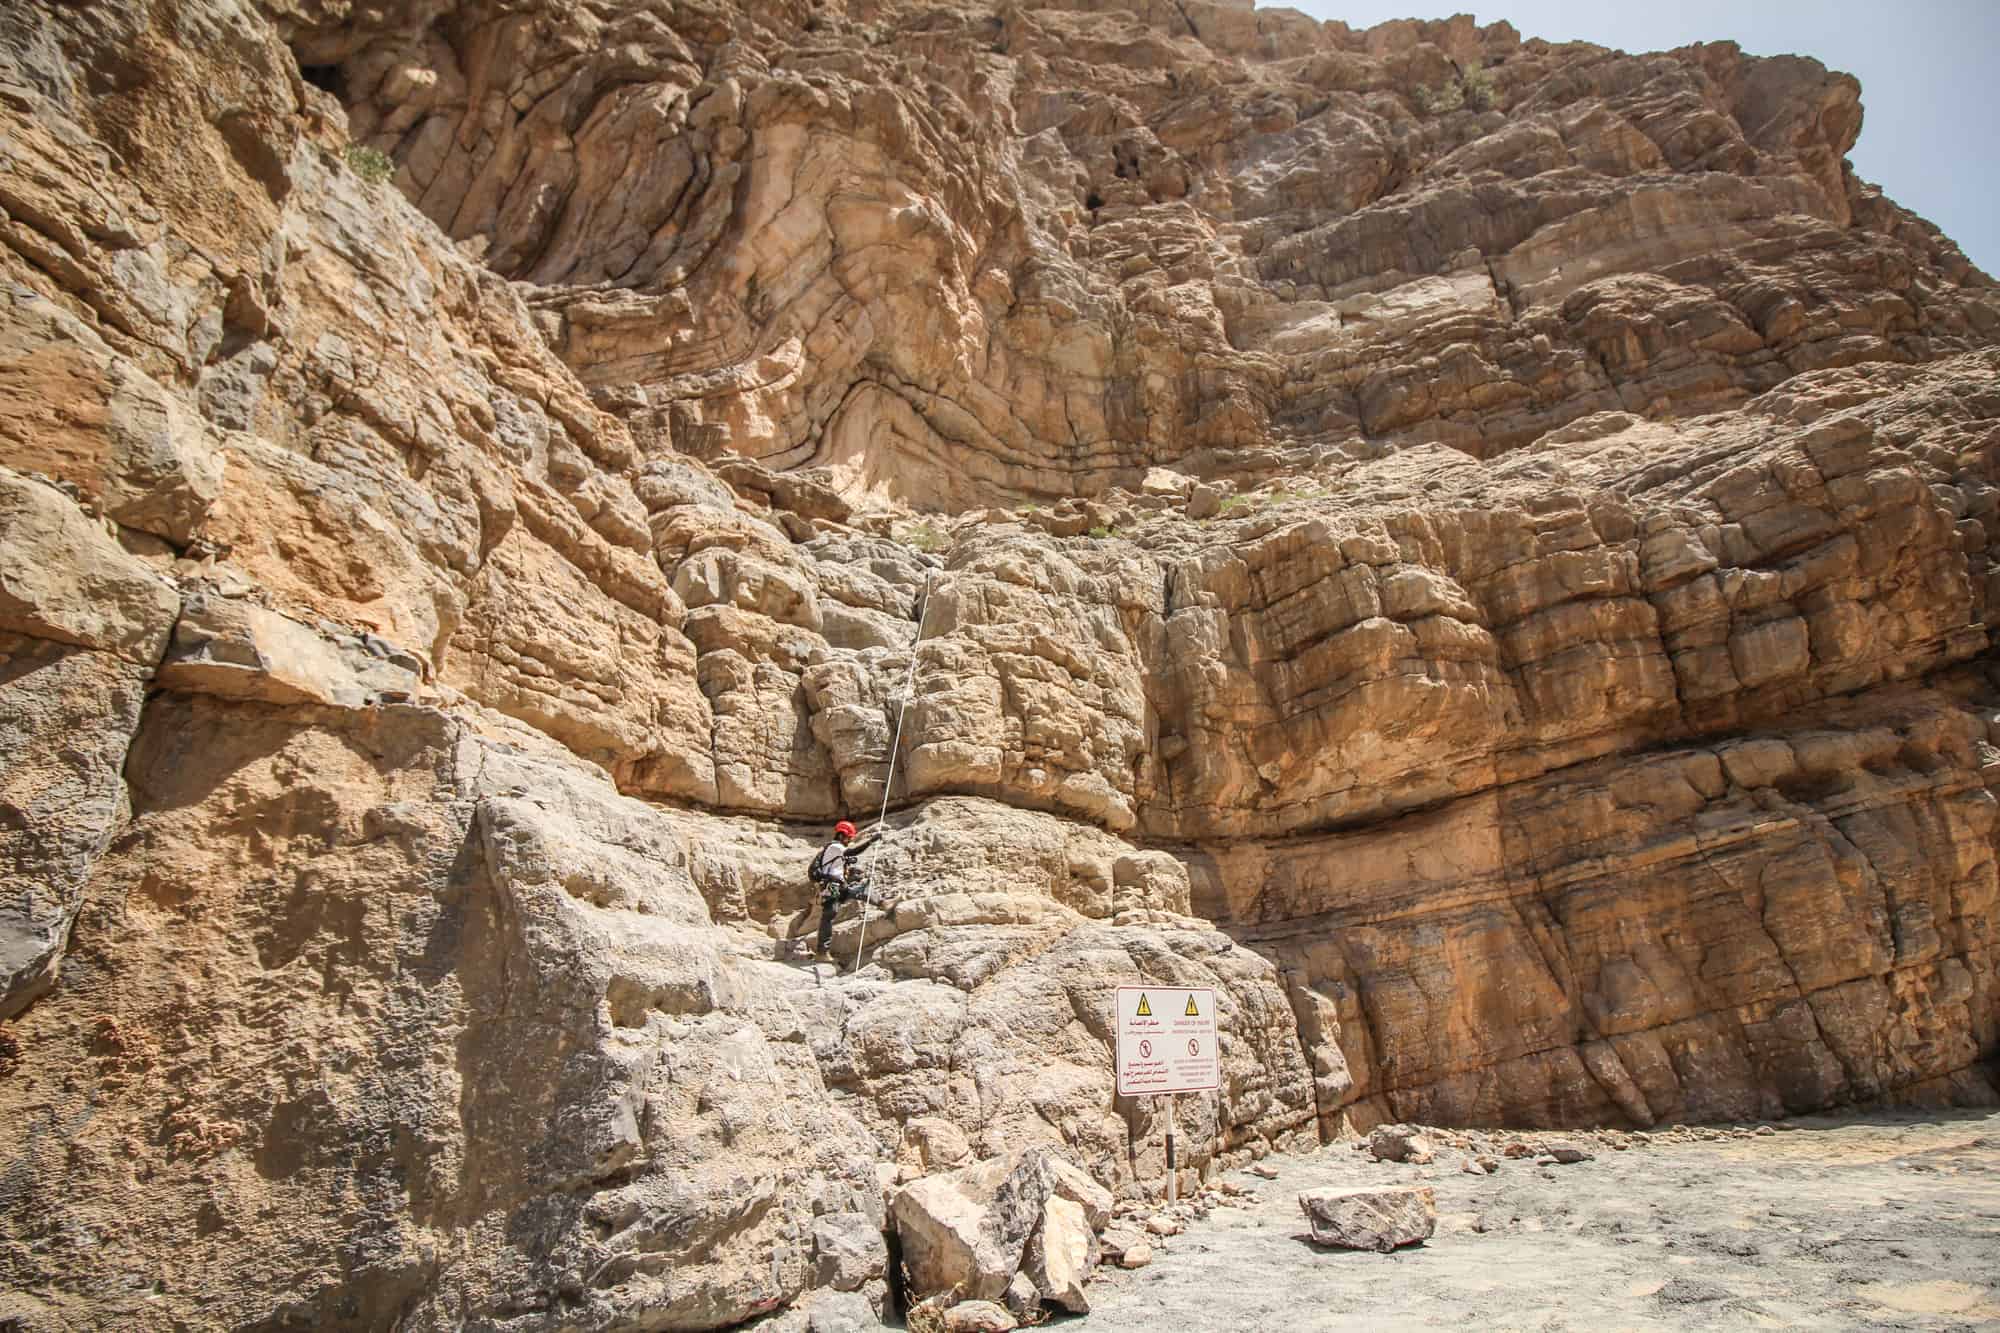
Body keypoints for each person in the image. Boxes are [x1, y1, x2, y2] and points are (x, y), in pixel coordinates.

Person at [809, 820, 888, 960]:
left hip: (837, 886)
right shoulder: (835, 846)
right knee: (829, 914)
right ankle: (822, 952)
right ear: (841, 835)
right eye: (848, 837)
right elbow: (853, 851)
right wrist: (871, 841)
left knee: (859, 891)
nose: (849, 841)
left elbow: (839, 867)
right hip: (832, 887)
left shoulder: (836, 851)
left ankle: (883, 903)